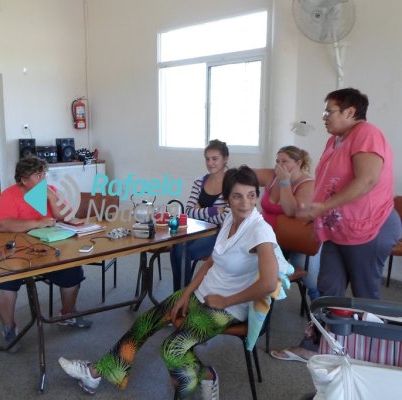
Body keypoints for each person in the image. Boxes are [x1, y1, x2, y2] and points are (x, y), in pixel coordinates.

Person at [58, 166, 279, 399]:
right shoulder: (230, 220)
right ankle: (98, 372)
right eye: (237, 196)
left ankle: (205, 378)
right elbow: (211, 262)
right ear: (226, 198)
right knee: (146, 321)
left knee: (172, 349)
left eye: (251, 195)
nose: (245, 202)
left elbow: (268, 283)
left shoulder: (259, 231)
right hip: (203, 294)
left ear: (257, 195)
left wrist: (226, 300)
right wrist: (185, 294)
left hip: (227, 307)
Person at [271, 87, 402, 363]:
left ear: (350, 112)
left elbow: (367, 180)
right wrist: (316, 211)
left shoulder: (366, 134)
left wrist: (324, 207)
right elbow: (330, 182)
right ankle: (314, 345)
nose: (324, 117)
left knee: (366, 294)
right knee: (328, 288)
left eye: (329, 111)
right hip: (338, 229)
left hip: (370, 229)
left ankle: (373, 355)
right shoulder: (335, 141)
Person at [0, 157, 92, 350]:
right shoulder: (9, 195)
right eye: (38, 175)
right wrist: (37, 223)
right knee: (3, 280)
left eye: (44, 173)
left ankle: (67, 315)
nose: (44, 178)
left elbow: (66, 216)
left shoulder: (49, 191)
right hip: (16, 252)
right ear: (23, 179)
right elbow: (2, 224)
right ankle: (9, 327)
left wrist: (52, 199)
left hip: (48, 249)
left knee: (72, 271)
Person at [255, 146, 321, 300]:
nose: (279, 165)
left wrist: (285, 182)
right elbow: (246, 175)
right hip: (270, 238)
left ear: (298, 162)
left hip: (294, 239)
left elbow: (290, 210)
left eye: (285, 161)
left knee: (312, 282)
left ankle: (319, 309)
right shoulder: (274, 175)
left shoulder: (307, 184)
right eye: (277, 161)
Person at [169, 139, 230, 292]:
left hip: (219, 234)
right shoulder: (199, 182)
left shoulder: (232, 184)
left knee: (182, 250)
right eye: (207, 159)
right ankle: (179, 294)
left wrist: (200, 210)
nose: (210, 163)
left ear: (225, 159)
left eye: (215, 158)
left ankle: (183, 295)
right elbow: (188, 212)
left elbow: (227, 218)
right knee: (176, 247)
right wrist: (214, 211)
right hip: (196, 229)